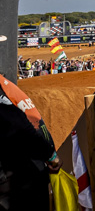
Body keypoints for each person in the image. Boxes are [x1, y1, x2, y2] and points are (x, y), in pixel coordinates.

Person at [0, 73, 61, 209]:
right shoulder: (4, 92)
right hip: (15, 181)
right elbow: (21, 126)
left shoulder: (6, 88)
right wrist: (50, 155)